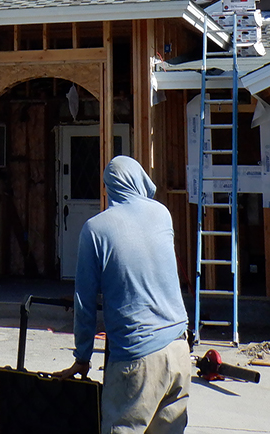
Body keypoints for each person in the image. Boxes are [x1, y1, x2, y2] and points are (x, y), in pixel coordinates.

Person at [56, 156, 190, 434]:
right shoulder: (162, 214)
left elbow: (85, 302)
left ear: (108, 188)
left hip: (136, 357)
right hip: (178, 350)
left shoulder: (95, 230)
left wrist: (83, 357)